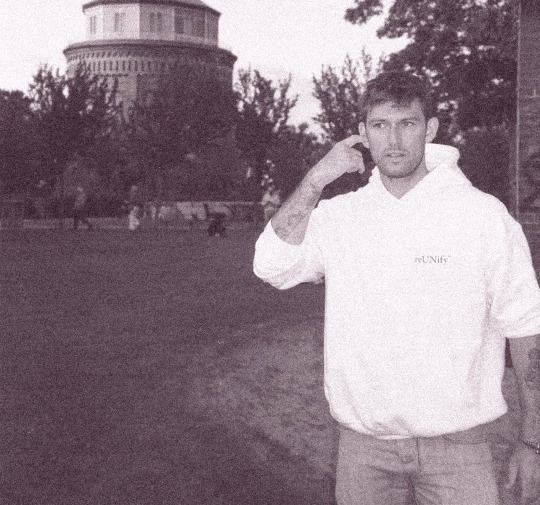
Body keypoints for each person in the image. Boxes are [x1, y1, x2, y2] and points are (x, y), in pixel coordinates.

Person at [253, 71, 540, 505]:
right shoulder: (341, 217)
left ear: (431, 129)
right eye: (380, 125)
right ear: (363, 133)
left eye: (407, 123)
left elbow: (526, 328)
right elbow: (271, 265)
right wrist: (315, 179)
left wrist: (533, 442)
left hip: (459, 451)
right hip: (363, 451)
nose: (393, 139)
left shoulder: (482, 217)